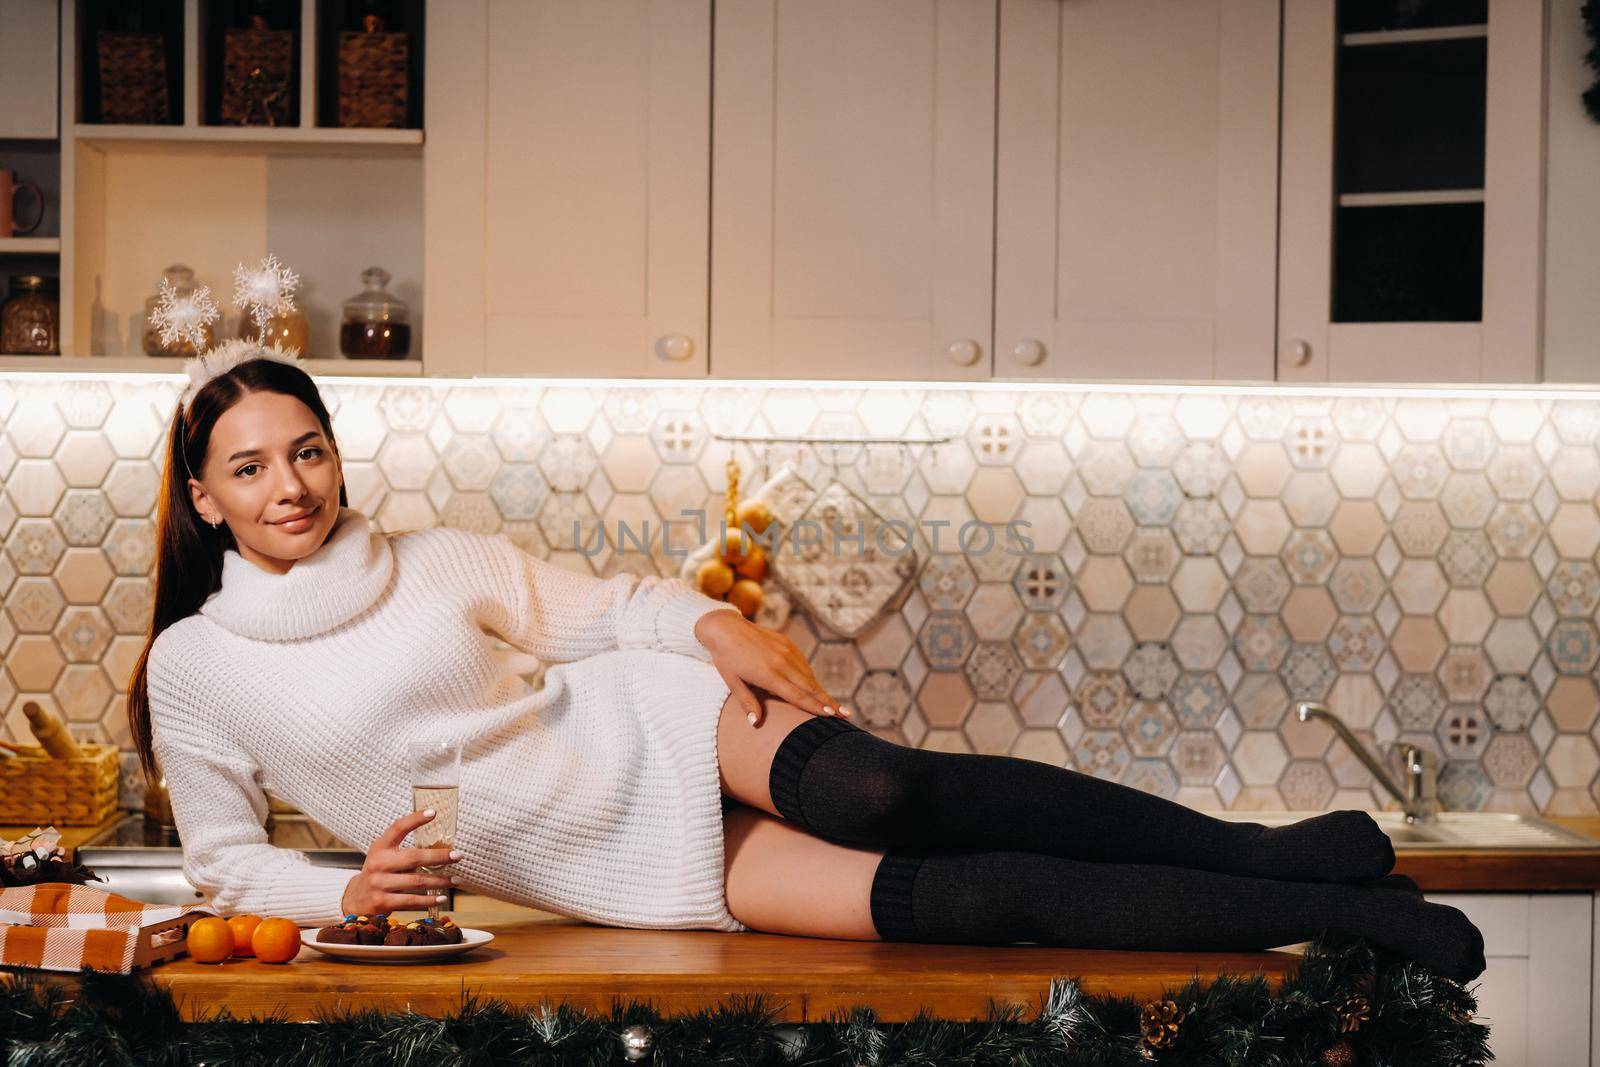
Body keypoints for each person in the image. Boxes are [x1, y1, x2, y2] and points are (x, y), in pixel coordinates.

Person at [126, 349, 1485, 983]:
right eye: (251, 465)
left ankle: (1267, 861)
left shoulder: (434, 559)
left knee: (885, 792)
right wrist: (342, 888)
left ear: (336, 455)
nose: (291, 484)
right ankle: (1348, 924)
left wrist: (712, 626)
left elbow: (611, 609)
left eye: (307, 449)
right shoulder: (196, 664)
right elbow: (224, 863)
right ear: (205, 497)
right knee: (961, 903)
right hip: (629, 863)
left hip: (658, 726)